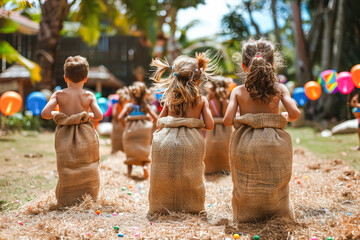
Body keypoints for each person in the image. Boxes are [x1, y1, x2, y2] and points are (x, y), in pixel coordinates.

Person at [223, 39, 300, 222]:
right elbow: (295, 114)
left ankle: (246, 214)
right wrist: (283, 118)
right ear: (272, 65)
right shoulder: (279, 88)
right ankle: (276, 213)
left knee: (245, 182)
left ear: (243, 66)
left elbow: (227, 120)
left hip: (245, 145)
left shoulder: (238, 91)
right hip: (274, 144)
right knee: (276, 181)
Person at [148, 52, 214, 215]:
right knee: (191, 176)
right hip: (191, 144)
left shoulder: (170, 97)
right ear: (197, 76)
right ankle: (192, 207)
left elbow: (159, 122)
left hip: (165, 142)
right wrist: (193, 125)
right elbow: (210, 125)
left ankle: (161, 207)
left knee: (164, 176)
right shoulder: (200, 99)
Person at [41, 56, 103, 206]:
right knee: (87, 164)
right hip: (86, 134)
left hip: (65, 135)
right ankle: (88, 196)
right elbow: (99, 116)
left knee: (66, 166)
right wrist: (86, 115)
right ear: (86, 78)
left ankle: (66, 199)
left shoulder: (59, 94)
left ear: (65, 77)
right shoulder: (89, 95)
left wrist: (56, 114)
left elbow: (45, 114)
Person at [118, 81, 158, 180]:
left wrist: (125, 126)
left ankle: (129, 172)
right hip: (144, 131)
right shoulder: (145, 107)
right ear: (144, 94)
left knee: (130, 151)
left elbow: (120, 117)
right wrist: (150, 125)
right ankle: (145, 166)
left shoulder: (129, 106)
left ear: (131, 94)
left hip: (130, 131)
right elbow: (156, 118)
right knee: (144, 151)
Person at [203, 76, 232, 174]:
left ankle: (211, 168)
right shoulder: (227, 102)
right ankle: (226, 168)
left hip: (212, 131)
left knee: (209, 150)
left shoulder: (209, 102)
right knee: (226, 150)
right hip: (226, 131)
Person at [111, 87, 129, 154]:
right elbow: (114, 115)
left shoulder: (127, 105)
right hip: (117, 125)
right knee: (117, 142)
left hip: (123, 124)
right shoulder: (116, 105)